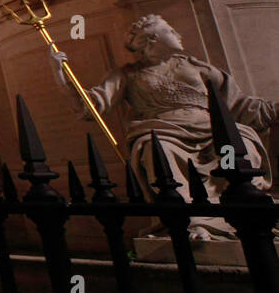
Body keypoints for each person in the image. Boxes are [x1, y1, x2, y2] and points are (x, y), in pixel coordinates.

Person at [52, 13, 276, 240]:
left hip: (210, 130)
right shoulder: (129, 75)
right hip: (163, 131)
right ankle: (192, 220)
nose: (177, 35)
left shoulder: (195, 66)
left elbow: (237, 103)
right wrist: (61, 75)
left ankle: (243, 211)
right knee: (157, 151)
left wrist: (272, 110)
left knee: (242, 143)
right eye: (169, 31)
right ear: (152, 41)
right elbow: (92, 106)